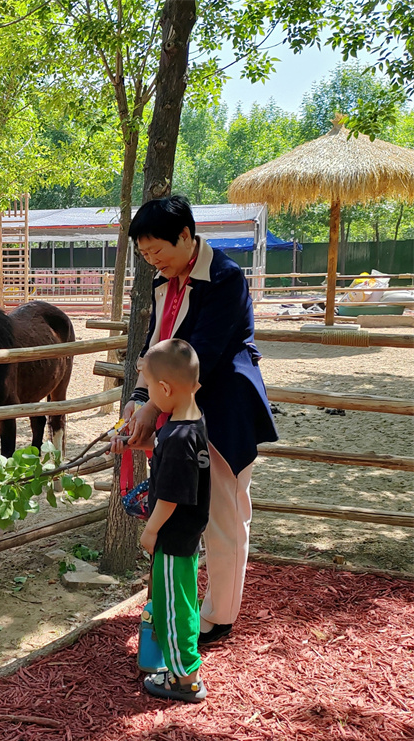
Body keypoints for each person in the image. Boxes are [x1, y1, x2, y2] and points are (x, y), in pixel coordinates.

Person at [118, 195, 277, 645]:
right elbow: (158, 345)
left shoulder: (225, 278)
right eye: (145, 255)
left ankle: (220, 615)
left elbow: (200, 354)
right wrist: (138, 395)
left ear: (186, 236)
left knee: (225, 514)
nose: (153, 262)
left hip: (224, 410)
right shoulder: (165, 282)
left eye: (158, 251)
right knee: (190, 515)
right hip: (179, 410)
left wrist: (153, 406)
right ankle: (185, 605)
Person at [129, 338, 210, 702]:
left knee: (173, 608)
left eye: (150, 391)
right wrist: (144, 446)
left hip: (172, 537)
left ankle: (183, 680)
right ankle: (183, 669)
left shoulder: (178, 438)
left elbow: (173, 496)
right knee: (183, 601)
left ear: (164, 389)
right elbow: (172, 459)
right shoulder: (190, 422)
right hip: (187, 536)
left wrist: (151, 530)